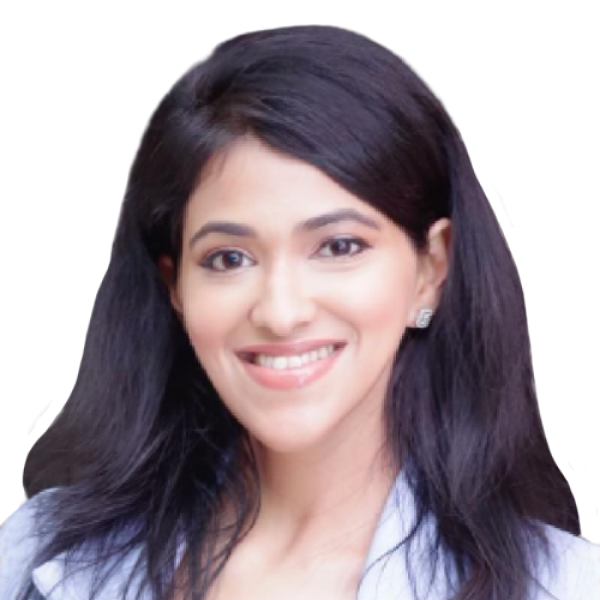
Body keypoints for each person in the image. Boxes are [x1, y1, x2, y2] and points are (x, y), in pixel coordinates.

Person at [1, 24, 597, 600]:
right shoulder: (26, 556)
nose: (281, 313)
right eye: (228, 258)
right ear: (174, 285)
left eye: (338, 247)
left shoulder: (567, 588)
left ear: (430, 270)